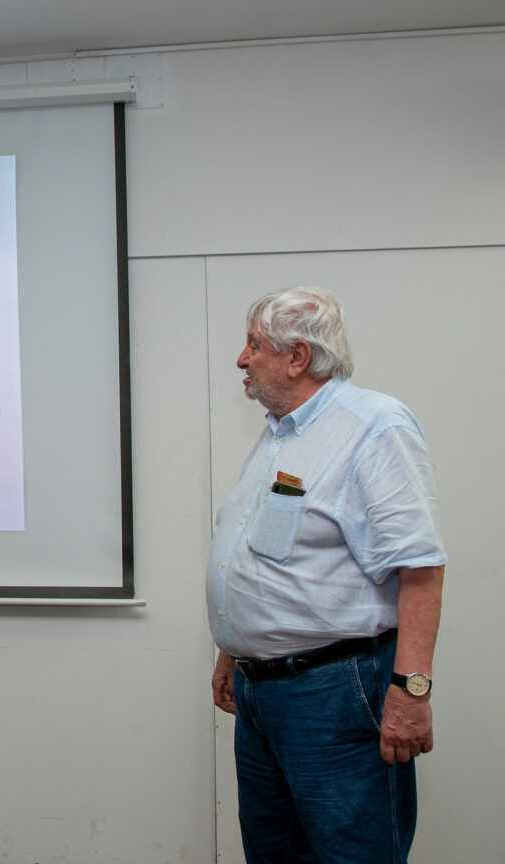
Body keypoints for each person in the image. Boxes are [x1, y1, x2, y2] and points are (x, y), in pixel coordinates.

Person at [206, 286, 445, 864]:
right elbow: (263, 557)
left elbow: (420, 567)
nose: (241, 359)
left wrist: (411, 691)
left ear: (297, 357)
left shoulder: (374, 426)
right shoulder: (279, 435)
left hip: (334, 696)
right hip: (260, 696)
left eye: (254, 345)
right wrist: (232, 651)